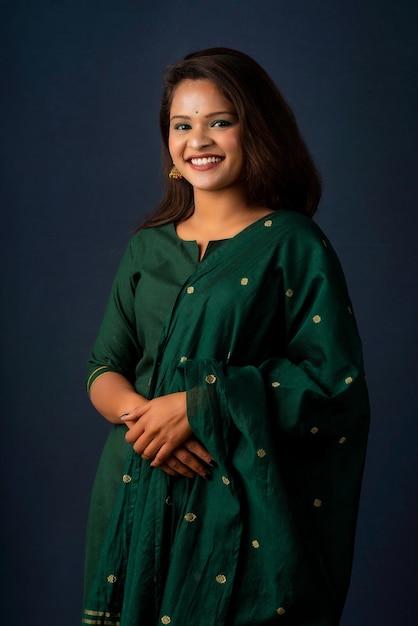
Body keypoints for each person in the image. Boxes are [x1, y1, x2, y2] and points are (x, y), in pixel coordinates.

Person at [81, 47, 370, 626]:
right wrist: (150, 422)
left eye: (220, 121)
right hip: (134, 492)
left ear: (253, 128)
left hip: (237, 514)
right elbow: (103, 368)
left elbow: (332, 388)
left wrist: (200, 404)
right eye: (181, 126)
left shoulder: (293, 244)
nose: (198, 141)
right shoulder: (147, 247)